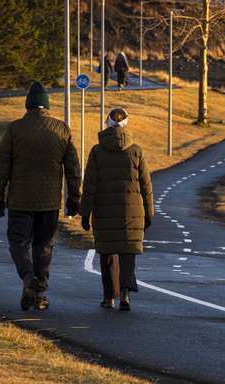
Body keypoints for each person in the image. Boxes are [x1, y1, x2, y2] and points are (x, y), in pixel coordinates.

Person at [0, 81, 81, 311]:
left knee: (18, 242)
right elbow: (73, 168)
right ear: (47, 105)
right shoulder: (62, 129)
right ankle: (40, 294)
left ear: (28, 104)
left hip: (20, 200)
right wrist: (74, 197)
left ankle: (27, 277)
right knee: (44, 246)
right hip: (50, 202)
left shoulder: (14, 129)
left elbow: (1, 166)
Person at [81, 108, 153, 311]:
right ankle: (125, 294)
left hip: (104, 212)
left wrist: (85, 213)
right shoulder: (136, 151)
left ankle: (108, 297)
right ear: (126, 124)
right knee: (127, 252)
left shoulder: (97, 151)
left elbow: (90, 186)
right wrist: (149, 213)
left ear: (107, 124)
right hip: (132, 212)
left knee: (107, 253)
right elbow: (146, 186)